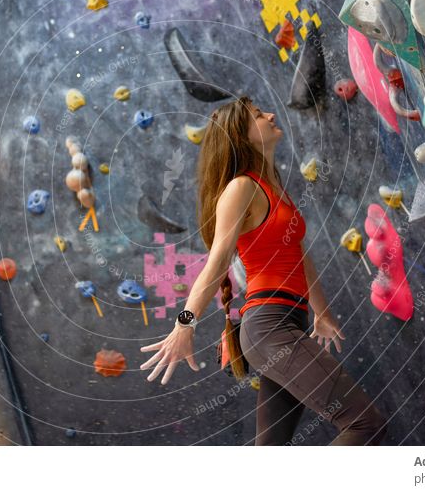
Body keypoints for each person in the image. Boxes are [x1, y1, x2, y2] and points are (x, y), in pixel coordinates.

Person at [140, 96, 387, 445]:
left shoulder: (274, 189)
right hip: (269, 326)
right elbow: (218, 260)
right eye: (258, 115)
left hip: (290, 321)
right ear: (242, 137)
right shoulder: (241, 188)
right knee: (365, 424)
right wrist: (185, 325)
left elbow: (299, 255)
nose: (271, 114)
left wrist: (322, 313)